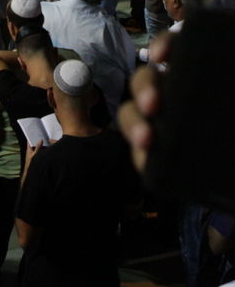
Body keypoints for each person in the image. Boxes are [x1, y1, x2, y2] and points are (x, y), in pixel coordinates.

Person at [14, 60, 141, 287]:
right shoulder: (120, 147)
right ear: (94, 97)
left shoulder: (46, 162)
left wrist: (28, 171)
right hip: (101, 272)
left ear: (51, 98)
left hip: (53, 276)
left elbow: (25, 237)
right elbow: (132, 209)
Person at [39, 0, 136, 105]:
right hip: (98, 105)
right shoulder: (108, 27)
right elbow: (129, 67)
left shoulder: (43, 11)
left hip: (54, 100)